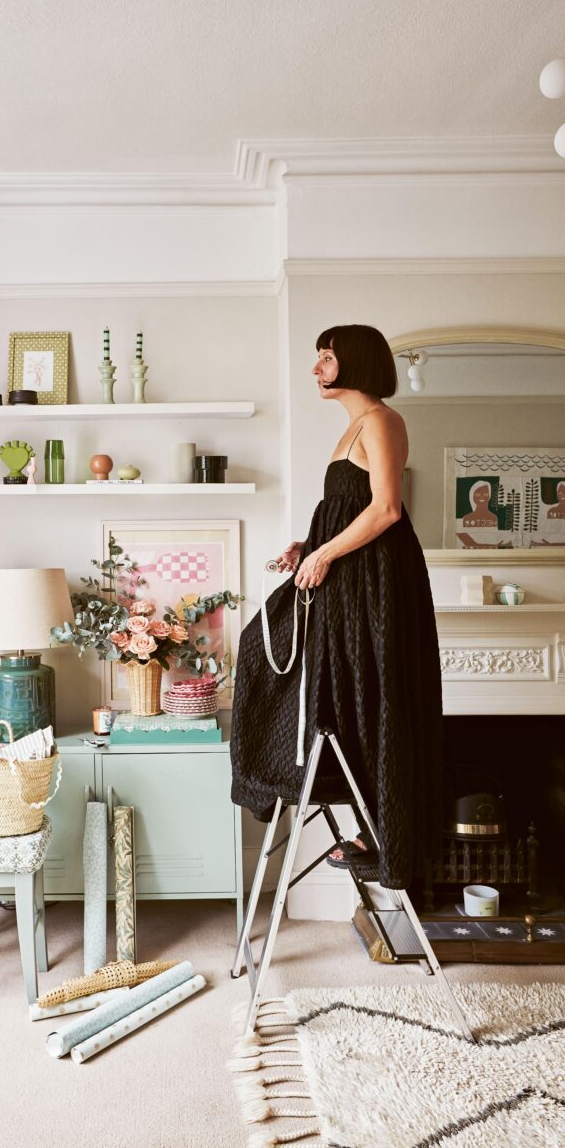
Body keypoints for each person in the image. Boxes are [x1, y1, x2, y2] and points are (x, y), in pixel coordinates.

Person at [230, 324, 444, 890]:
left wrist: (324, 552)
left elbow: (387, 509)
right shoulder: (353, 426)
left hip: (374, 583)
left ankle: (383, 835)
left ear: (357, 363)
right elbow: (350, 509)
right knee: (284, 658)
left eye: (326, 358)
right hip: (347, 577)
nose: (317, 369)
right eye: (318, 357)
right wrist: (309, 545)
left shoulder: (383, 421)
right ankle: (293, 783)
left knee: (371, 691)